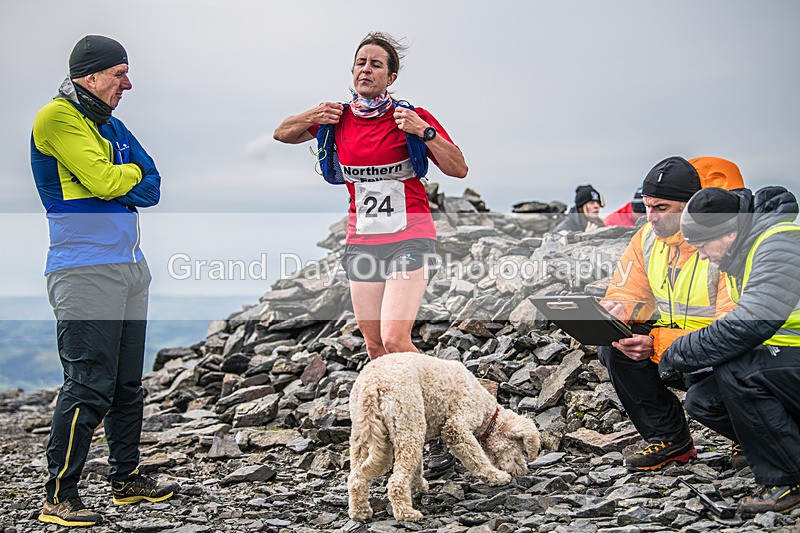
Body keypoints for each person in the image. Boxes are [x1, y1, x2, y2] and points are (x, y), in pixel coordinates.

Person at [31, 35, 178, 527]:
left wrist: (124, 175)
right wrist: (123, 176)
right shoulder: (56, 117)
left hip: (130, 266)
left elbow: (153, 185)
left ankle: (126, 479)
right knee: (88, 384)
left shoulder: (111, 125)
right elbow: (103, 182)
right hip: (82, 268)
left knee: (126, 385)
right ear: (88, 77)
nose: (127, 84)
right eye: (119, 75)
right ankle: (59, 494)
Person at [659, 185, 800, 515]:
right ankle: (783, 450)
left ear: (729, 231)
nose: (703, 255)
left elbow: (752, 324)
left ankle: (787, 480)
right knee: (703, 399)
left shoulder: (780, 243)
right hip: (788, 358)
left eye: (704, 245)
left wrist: (680, 352)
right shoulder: (743, 250)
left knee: (738, 371)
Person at [598, 155, 744, 471]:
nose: (650, 216)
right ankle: (671, 441)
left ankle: (750, 436)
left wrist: (658, 343)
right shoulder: (647, 238)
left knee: (707, 396)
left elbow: (733, 331)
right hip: (681, 349)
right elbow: (627, 289)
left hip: (726, 355)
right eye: (648, 206)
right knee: (615, 348)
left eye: (661, 208)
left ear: (691, 205)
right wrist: (617, 311)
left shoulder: (723, 240)